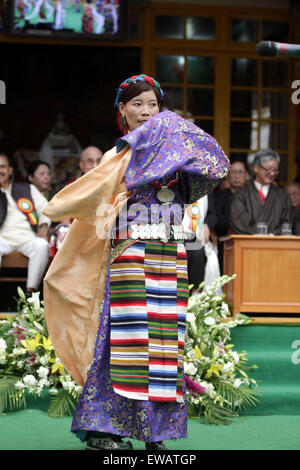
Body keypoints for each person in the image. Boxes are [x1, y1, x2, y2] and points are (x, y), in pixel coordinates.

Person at [43, 74, 230, 450]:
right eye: (137, 104)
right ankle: (105, 430)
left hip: (170, 255)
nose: (146, 112)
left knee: (164, 346)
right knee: (124, 343)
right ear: (122, 111)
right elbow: (92, 206)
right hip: (131, 255)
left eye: (153, 105)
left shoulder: (181, 154)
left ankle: (155, 432)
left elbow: (217, 164)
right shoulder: (117, 157)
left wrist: (178, 130)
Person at [0, 153, 50, 294]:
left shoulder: (27, 188)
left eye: (3, 167)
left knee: (42, 245)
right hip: (2, 239)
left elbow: (46, 210)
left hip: (28, 238)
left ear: (10, 170)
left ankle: (30, 293)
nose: (0, 171)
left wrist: (43, 226)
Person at [49, 146, 103, 257]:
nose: (95, 166)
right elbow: (65, 220)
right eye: (90, 162)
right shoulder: (71, 187)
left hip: (102, 232)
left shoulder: (113, 185)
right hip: (77, 234)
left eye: (99, 161)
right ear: (81, 165)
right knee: (63, 231)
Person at [230, 149, 293, 235]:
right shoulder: (241, 194)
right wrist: (259, 234)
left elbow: (287, 223)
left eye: (275, 170)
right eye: (268, 169)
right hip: (247, 244)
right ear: (256, 168)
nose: (272, 174)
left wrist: (271, 234)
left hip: (275, 244)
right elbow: (238, 220)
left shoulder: (282, 195)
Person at [214, 160, 248, 271]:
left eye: (240, 172)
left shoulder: (253, 197)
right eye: (233, 172)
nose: (237, 176)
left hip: (248, 243)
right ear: (228, 175)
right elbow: (217, 221)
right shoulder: (219, 197)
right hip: (225, 245)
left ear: (246, 175)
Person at [184, 192, 218, 291]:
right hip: (176, 237)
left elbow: (212, 214)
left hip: (198, 237)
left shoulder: (207, 187)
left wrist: (207, 225)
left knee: (199, 257)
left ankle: (196, 297)